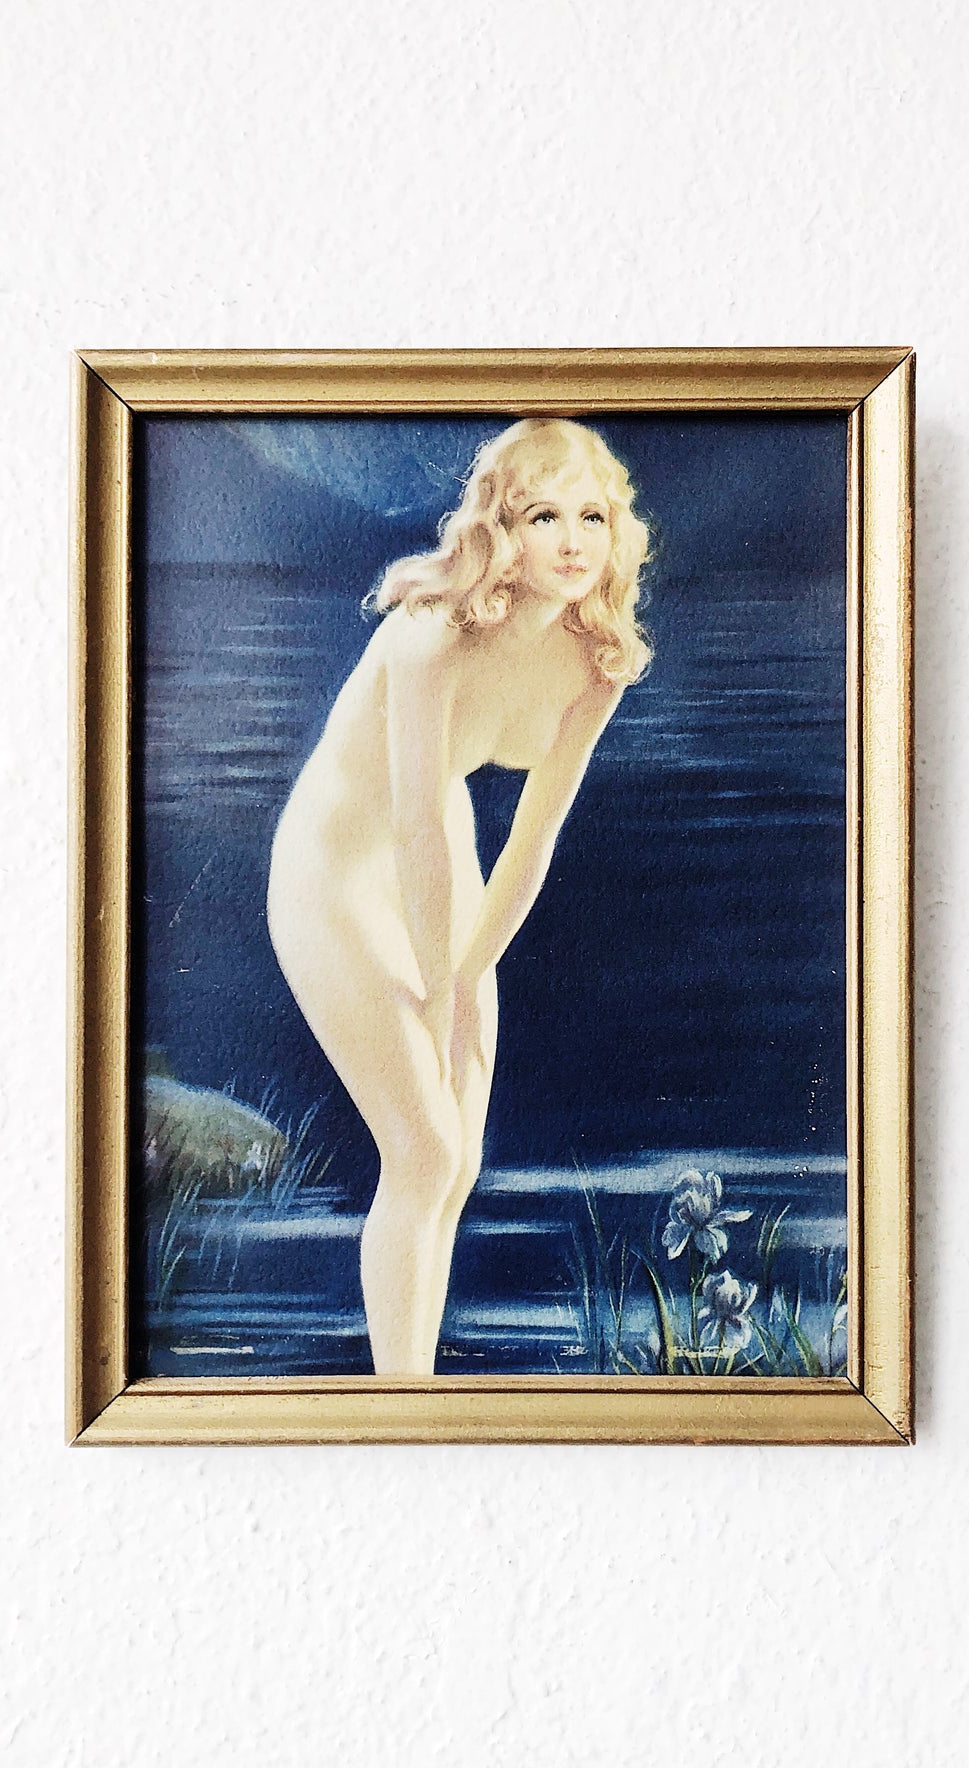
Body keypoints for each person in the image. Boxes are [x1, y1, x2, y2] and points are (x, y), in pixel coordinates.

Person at [266, 418, 652, 1374]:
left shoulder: (596, 660)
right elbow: (408, 825)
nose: (572, 541)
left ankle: (414, 1389)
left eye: (592, 517)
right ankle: (399, 1405)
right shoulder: (431, 635)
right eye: (543, 516)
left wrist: (468, 971)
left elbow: (533, 838)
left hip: (448, 869)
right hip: (335, 874)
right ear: (500, 529)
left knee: (457, 1164)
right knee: (425, 1152)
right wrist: (439, 992)